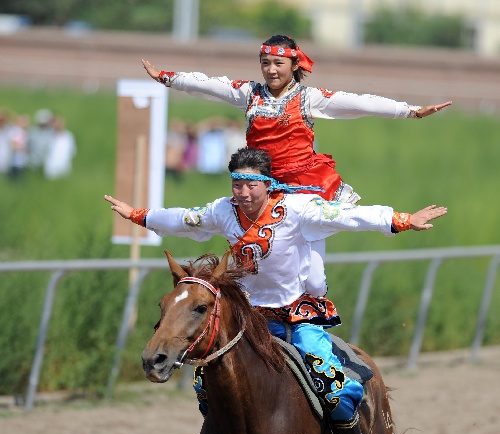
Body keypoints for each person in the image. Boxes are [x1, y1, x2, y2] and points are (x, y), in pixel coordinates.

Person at [104, 147, 447, 434]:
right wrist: (138, 215)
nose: (243, 192)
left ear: (268, 185)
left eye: (251, 185)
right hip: (251, 319)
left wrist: (402, 219)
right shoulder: (224, 211)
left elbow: (348, 216)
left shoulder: (297, 209)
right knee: (208, 385)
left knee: (331, 383)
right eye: (237, 184)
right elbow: (185, 219)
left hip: (299, 315)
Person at [141, 34, 452, 296]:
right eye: (265, 63)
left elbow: (360, 102)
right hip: (262, 192)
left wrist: (410, 111)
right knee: (252, 267)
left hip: (307, 191)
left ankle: (310, 335)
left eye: (278, 63)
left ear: (294, 65)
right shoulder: (250, 95)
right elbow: (208, 84)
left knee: (315, 282)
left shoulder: (308, 98)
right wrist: (168, 78)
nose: (271, 70)